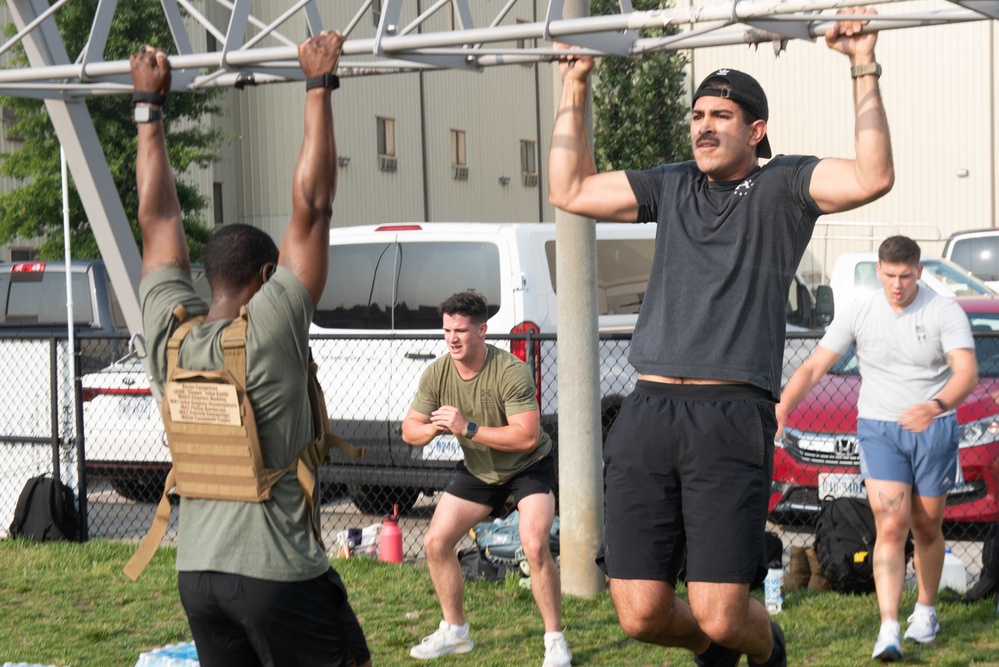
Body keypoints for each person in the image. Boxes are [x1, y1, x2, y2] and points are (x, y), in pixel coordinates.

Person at [547, 7, 893, 667]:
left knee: (722, 608)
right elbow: (568, 188)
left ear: (755, 129)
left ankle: (764, 649)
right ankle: (713, 646)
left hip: (728, 413)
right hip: (648, 409)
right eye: (698, 115)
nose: (704, 126)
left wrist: (861, 65)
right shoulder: (672, 184)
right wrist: (575, 84)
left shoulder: (783, 184)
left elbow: (871, 176)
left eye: (721, 116)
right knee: (639, 612)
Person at [131, 33, 371, 667]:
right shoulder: (271, 326)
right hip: (278, 576)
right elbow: (313, 209)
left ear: (206, 278)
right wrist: (318, 85)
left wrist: (147, 108)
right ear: (267, 279)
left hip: (197, 578)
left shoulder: (169, 339)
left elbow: (156, 225)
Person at [777, 236, 978, 661]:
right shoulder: (861, 310)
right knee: (890, 525)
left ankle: (925, 610)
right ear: (879, 272)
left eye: (906, 276)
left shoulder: (943, 310)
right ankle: (889, 628)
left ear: (919, 272)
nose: (897, 285)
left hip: (934, 427)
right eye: (889, 276)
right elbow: (814, 366)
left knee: (926, 527)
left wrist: (935, 406)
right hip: (880, 429)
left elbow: (967, 372)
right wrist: (783, 406)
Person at [401, 291, 571, 667]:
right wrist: (433, 428)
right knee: (435, 542)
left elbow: (526, 437)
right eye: (446, 330)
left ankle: (555, 640)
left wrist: (467, 427)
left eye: (461, 330)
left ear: (482, 330)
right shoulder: (437, 372)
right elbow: (409, 430)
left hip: (528, 466)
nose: (452, 339)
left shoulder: (509, 370)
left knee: (535, 546)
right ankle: (456, 632)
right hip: (480, 469)